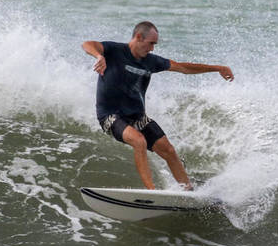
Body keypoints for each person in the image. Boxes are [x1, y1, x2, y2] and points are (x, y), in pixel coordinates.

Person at [82, 22, 233, 190]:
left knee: (168, 150)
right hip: (110, 116)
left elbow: (183, 67)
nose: (152, 49)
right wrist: (99, 56)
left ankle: (189, 191)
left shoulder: (151, 62)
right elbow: (87, 44)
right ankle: (151, 192)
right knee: (139, 141)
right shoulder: (115, 50)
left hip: (137, 117)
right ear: (139, 37)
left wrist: (217, 68)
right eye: (151, 43)